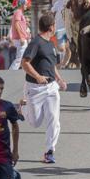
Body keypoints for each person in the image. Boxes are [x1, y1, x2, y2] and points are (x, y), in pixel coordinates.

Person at [20, 13, 67, 163]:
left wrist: (59, 80)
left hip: (52, 88)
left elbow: (51, 64)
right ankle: (22, 108)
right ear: (51, 27)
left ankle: (49, 151)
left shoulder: (50, 43)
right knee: (35, 123)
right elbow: (24, 63)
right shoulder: (36, 42)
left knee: (54, 120)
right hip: (35, 88)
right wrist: (38, 77)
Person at [50, 0, 71, 68]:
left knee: (67, 47)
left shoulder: (72, 3)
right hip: (59, 28)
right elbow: (52, 11)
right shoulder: (59, 2)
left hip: (68, 28)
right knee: (61, 48)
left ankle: (63, 63)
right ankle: (61, 64)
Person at [9, 0, 30, 70]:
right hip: (20, 38)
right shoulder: (18, 12)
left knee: (22, 57)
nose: (26, 6)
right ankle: (11, 72)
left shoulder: (19, 12)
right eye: (25, 4)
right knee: (19, 58)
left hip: (22, 38)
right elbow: (17, 24)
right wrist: (21, 37)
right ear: (22, 4)